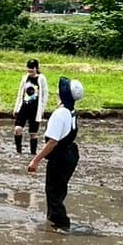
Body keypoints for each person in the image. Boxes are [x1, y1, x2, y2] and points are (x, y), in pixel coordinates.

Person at [27, 77, 83, 230]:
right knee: (58, 189)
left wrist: (36, 160)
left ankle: (61, 224)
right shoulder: (71, 111)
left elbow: (52, 142)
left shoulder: (59, 114)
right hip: (70, 153)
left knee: (53, 193)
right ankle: (52, 219)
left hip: (60, 156)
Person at [12, 59, 49, 156]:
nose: (30, 70)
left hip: (35, 109)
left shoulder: (41, 78)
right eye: (29, 68)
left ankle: (33, 153)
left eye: (32, 68)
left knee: (33, 133)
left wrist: (42, 109)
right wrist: (16, 107)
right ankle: (18, 151)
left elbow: (45, 95)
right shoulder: (25, 78)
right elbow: (20, 93)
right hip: (24, 107)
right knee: (17, 129)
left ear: (36, 68)